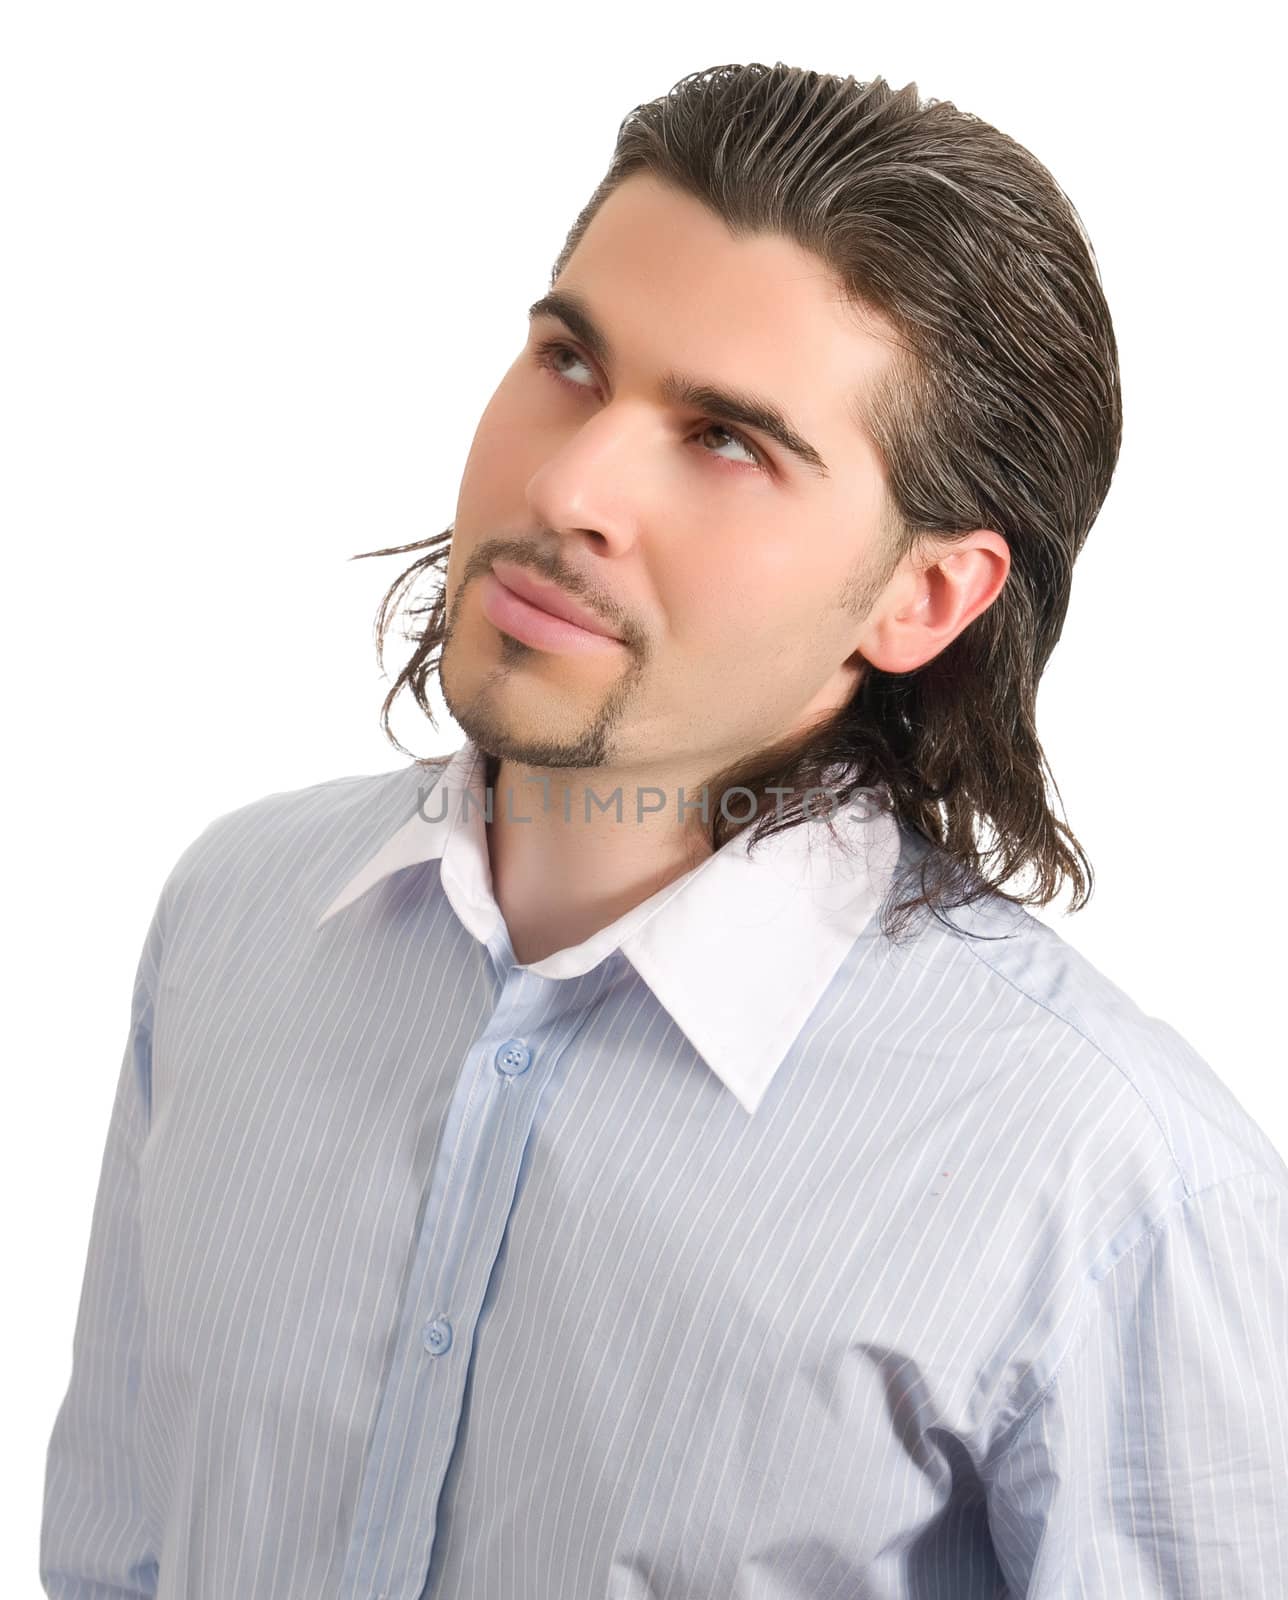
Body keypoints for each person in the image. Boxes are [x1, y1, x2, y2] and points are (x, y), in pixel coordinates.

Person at [41, 61, 1287, 1599]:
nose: (566, 487)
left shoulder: (1109, 1189)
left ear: (927, 597)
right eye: (568, 359)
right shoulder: (232, 920)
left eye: (727, 441)